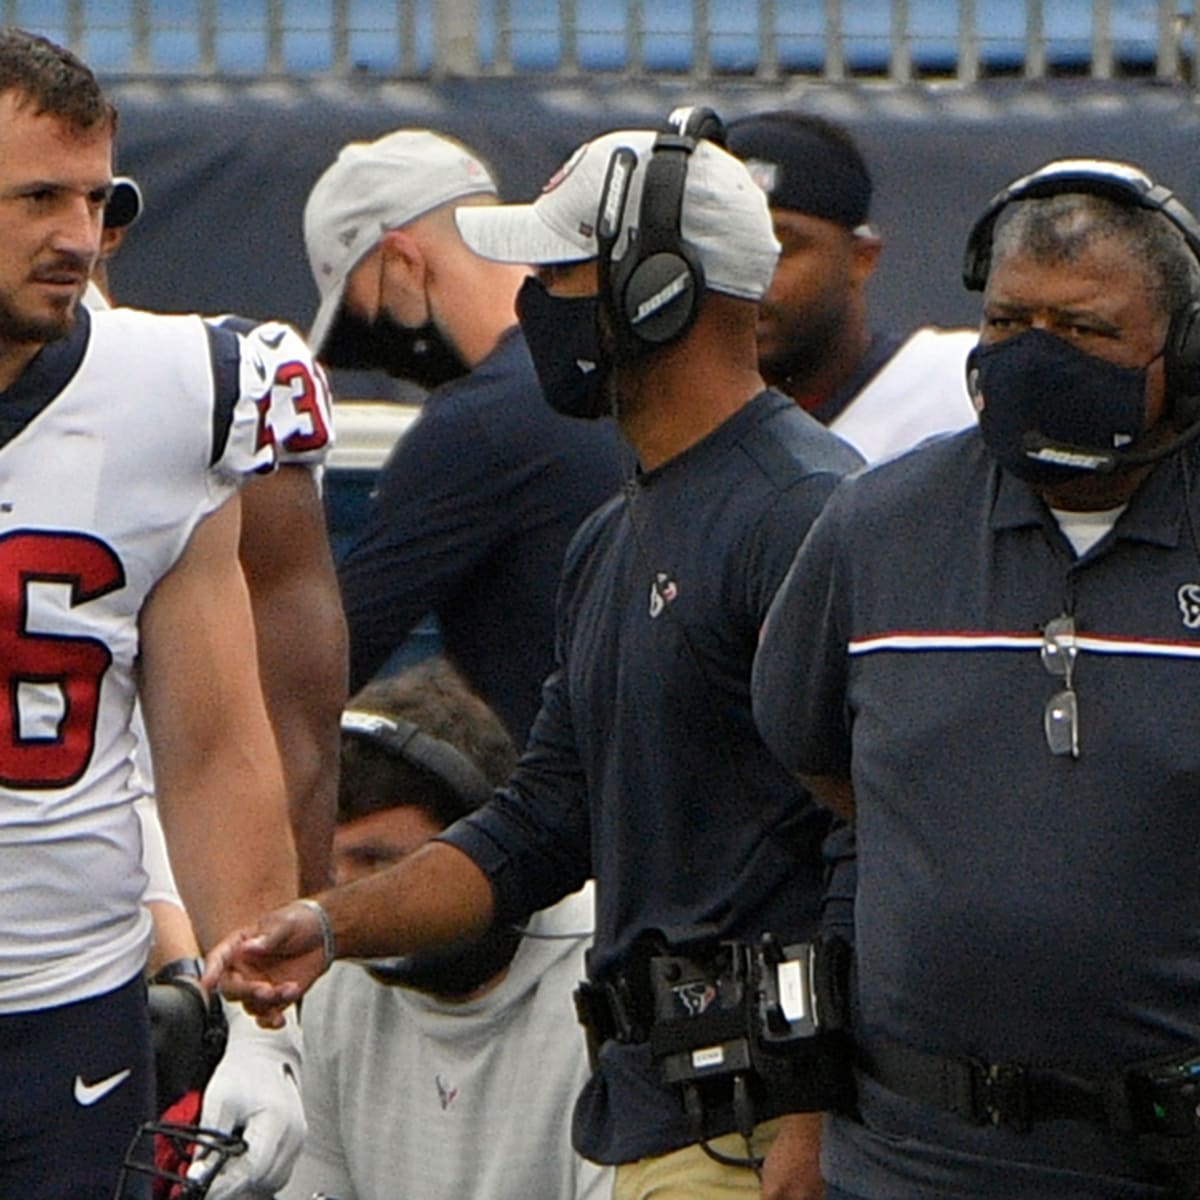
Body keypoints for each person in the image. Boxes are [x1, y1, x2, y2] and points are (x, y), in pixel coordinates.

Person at [209, 112, 865, 1200]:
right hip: (658, 1106)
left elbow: (869, 835)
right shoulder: (619, 531)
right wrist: (328, 925)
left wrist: (812, 1109)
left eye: (558, 272)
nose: (528, 304)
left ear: (656, 288)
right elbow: (542, 822)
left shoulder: (802, 514)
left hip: (755, 1129)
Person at [752, 158, 1200, 1198]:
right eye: (1008, 323)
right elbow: (826, 769)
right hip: (914, 1159)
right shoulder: (875, 526)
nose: (1038, 355)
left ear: (1180, 349)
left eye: (1084, 329)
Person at [0, 26, 303, 1200]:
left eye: (96, 196)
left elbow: (218, 747)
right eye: (36, 198)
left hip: (70, 1014)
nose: (80, 236)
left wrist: (266, 1035)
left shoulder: (172, 394)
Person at [305, 128, 627, 742]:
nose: (375, 350)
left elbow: (317, 671)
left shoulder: (480, 426)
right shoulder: (626, 372)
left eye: (360, 321)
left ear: (402, 263)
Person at [280, 658, 610, 1200]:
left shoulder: (609, 976)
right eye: (331, 868)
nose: (349, 898)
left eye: (381, 864)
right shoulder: (334, 981)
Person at [726, 110, 977, 463]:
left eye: (781, 249)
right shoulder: (657, 423)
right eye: (724, 249)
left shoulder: (956, 388)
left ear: (862, 259)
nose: (749, 277)